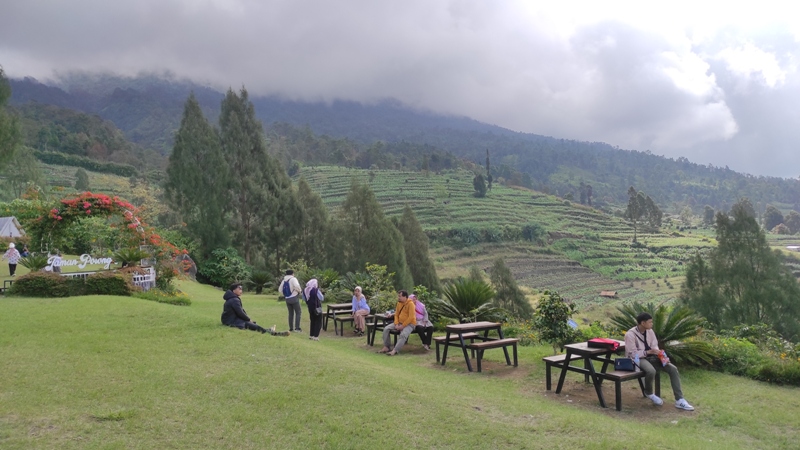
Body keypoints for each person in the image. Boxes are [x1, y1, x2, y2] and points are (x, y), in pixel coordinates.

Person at [624, 312, 695, 411]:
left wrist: (660, 355)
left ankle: (679, 399)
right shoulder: (630, 335)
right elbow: (632, 353)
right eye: (650, 322)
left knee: (673, 369)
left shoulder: (650, 331)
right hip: (638, 359)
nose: (652, 324)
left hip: (652, 357)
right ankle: (649, 393)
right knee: (651, 371)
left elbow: (655, 345)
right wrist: (648, 352)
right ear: (643, 323)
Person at [221, 283, 289, 336]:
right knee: (250, 324)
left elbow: (240, 312)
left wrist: (247, 319)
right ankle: (273, 333)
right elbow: (240, 313)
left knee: (251, 324)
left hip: (230, 319)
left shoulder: (233, 298)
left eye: (241, 288)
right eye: (239, 289)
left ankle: (269, 330)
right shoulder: (234, 300)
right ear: (234, 290)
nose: (241, 290)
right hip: (230, 321)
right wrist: (248, 319)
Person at [379, 290, 417, 356]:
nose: (398, 298)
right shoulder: (399, 303)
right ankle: (386, 347)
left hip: (409, 324)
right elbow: (396, 314)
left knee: (403, 335)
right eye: (398, 296)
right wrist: (396, 324)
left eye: (400, 296)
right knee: (386, 329)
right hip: (399, 322)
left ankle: (395, 350)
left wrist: (402, 326)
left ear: (405, 297)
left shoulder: (411, 304)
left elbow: (411, 317)